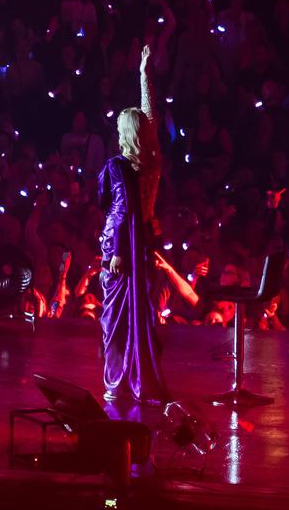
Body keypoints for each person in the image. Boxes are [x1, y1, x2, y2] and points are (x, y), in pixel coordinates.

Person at [98, 44, 167, 402]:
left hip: (126, 246)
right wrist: (143, 74)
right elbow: (151, 116)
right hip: (147, 240)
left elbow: (119, 214)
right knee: (139, 314)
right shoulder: (152, 161)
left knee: (121, 318)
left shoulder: (123, 169)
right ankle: (136, 374)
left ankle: (122, 379)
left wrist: (113, 251)